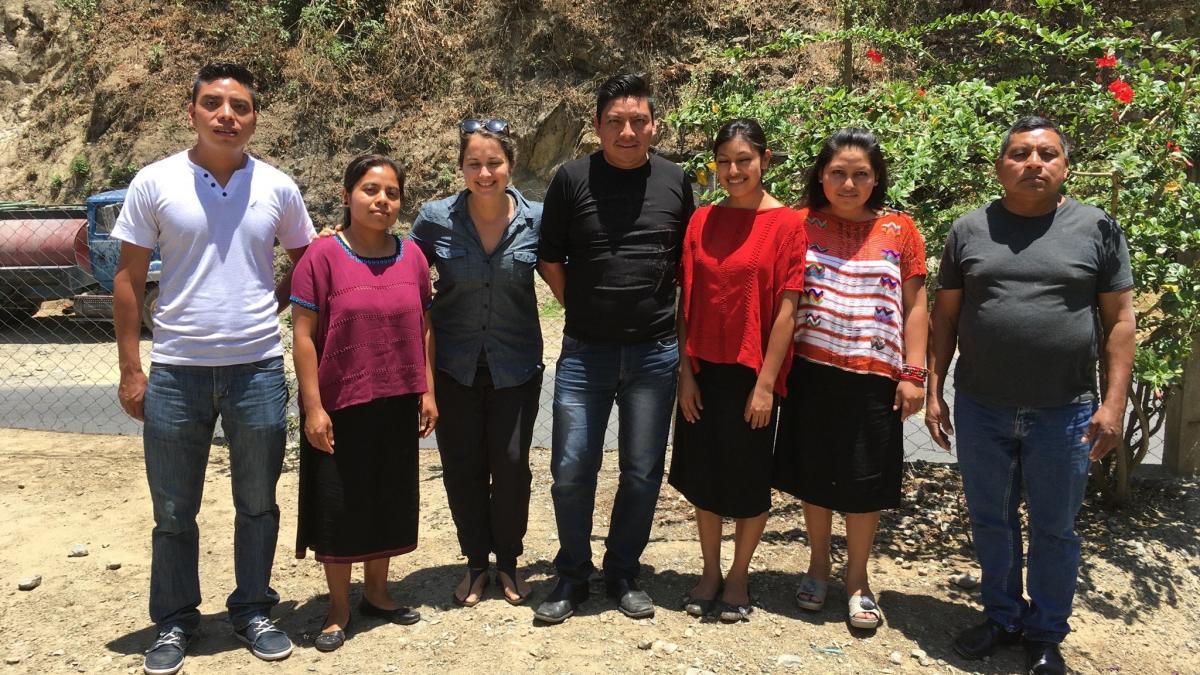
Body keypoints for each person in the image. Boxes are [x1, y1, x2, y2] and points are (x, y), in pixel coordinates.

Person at [111, 62, 315, 675]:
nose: (227, 115)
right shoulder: (155, 182)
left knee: (258, 502)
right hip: (177, 372)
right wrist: (131, 369)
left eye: (240, 106)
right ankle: (175, 620)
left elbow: (306, 264)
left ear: (255, 117)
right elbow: (128, 279)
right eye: (213, 104)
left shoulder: (277, 186)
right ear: (192, 112)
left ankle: (253, 609)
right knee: (174, 510)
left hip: (258, 370)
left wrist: (269, 305)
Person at [926, 116, 1135, 675]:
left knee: (1054, 529)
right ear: (1000, 167)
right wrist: (933, 390)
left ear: (1065, 166)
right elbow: (945, 318)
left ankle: (1045, 633)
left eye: (1047, 154)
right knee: (990, 520)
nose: (1034, 164)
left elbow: (1120, 321)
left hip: (1065, 411)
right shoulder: (969, 230)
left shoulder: (1097, 228)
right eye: (1020, 154)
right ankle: (1001, 617)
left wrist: (1114, 403)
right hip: (982, 406)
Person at [534, 73, 695, 624]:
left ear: (654, 125)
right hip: (586, 353)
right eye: (615, 122)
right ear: (598, 126)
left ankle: (623, 571)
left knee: (642, 470)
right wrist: (581, 307)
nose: (627, 132)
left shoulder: (675, 180)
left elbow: (685, 264)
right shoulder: (571, 178)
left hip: (655, 353)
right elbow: (549, 257)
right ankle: (573, 574)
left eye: (638, 121)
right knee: (571, 468)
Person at [772, 128, 929, 631]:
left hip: (875, 379)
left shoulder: (900, 230)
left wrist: (914, 373)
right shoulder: (798, 223)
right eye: (838, 172)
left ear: (876, 178)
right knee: (815, 475)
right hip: (811, 373)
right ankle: (818, 566)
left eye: (861, 174)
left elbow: (916, 305)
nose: (848, 184)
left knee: (866, 482)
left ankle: (858, 580)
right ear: (821, 175)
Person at [290, 154, 435, 652]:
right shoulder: (321, 256)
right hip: (340, 404)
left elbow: (425, 326)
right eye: (370, 190)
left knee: (387, 498)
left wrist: (428, 390)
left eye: (392, 192)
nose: (382, 200)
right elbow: (303, 336)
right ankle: (338, 607)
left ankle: (377, 593)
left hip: (397, 400)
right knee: (339, 505)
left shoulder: (412, 257)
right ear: (347, 195)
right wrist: (313, 408)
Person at [668, 118, 806, 623]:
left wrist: (767, 384)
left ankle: (740, 574)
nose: (733, 171)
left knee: (749, 479)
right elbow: (686, 301)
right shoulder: (702, 220)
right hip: (703, 369)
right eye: (723, 161)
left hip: (754, 374)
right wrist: (685, 374)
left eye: (743, 160)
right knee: (703, 476)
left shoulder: (787, 224)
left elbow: (788, 310)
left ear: (764, 160)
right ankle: (709, 571)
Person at [409, 119, 543, 607]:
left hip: (516, 365)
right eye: (474, 164)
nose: (484, 173)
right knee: (462, 469)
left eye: (494, 163)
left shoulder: (537, 220)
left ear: (511, 164)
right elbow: (400, 271)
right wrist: (340, 242)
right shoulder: (435, 219)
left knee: (512, 468)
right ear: (461, 167)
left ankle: (507, 562)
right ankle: (474, 564)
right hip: (454, 367)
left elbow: (572, 271)